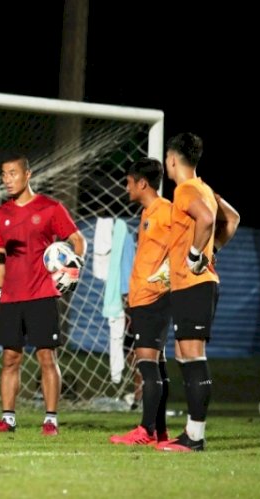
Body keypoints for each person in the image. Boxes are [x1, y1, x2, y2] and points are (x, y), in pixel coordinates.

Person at [0, 154, 87, 435]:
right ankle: (8, 419)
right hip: (11, 297)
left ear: (27, 174)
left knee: (46, 357)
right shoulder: (2, 214)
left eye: (13, 173)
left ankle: (50, 420)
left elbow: (77, 241)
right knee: (9, 359)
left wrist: (73, 269)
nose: (7, 179)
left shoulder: (50, 208)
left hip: (42, 294)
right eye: (4, 174)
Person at [153, 132, 239, 452]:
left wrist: (194, 255)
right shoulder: (203, 188)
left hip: (194, 283)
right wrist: (211, 249)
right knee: (183, 353)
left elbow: (205, 218)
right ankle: (191, 431)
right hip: (190, 284)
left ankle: (196, 437)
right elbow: (232, 219)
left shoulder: (185, 190)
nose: (166, 163)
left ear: (173, 159)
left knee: (193, 354)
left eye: (167, 159)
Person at [109, 157, 173, 446]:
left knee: (147, 365)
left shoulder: (165, 212)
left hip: (153, 300)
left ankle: (145, 430)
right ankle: (159, 432)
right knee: (155, 366)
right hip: (143, 300)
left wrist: (157, 285)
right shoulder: (149, 213)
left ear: (142, 183)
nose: (126, 187)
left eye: (128, 182)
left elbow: (182, 250)